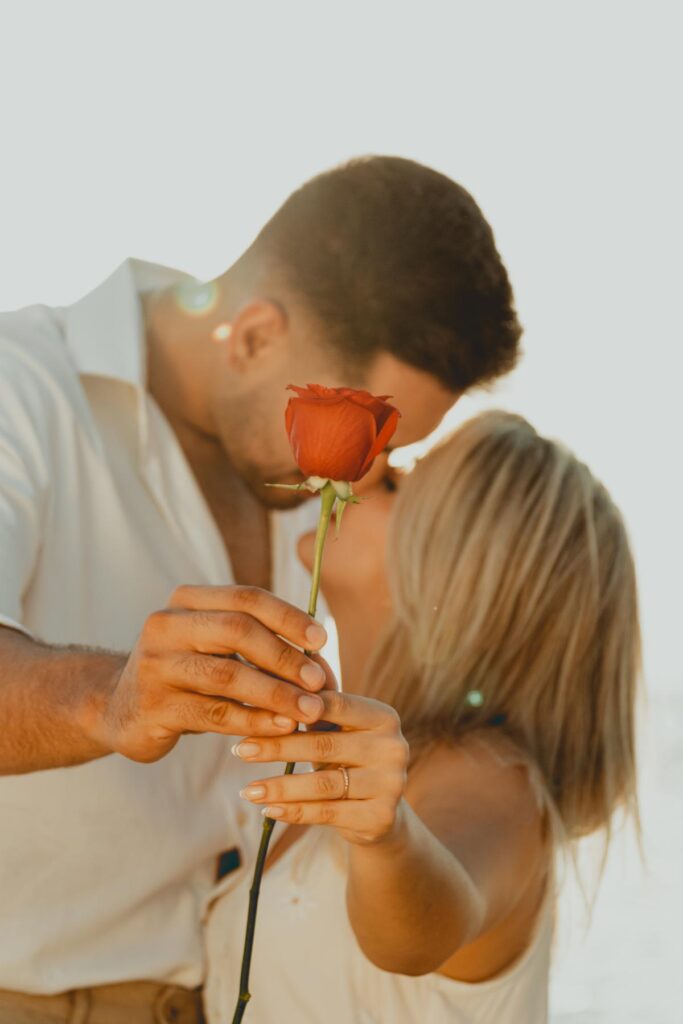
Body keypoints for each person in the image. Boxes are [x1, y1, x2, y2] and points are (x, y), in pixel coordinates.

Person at [0, 156, 521, 1020]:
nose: (369, 477)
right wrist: (110, 699)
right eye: (370, 436)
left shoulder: (306, 495)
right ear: (248, 336)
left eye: (389, 451)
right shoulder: (21, 390)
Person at [203, 410, 643, 1024]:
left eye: (402, 483)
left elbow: (419, 935)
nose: (371, 466)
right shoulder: (356, 764)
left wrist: (386, 839)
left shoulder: (494, 780)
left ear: (459, 573)